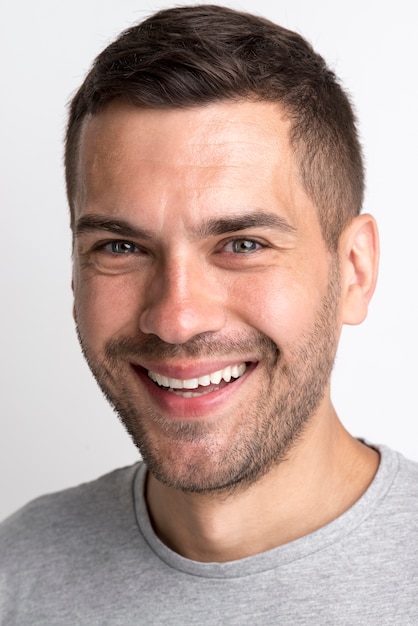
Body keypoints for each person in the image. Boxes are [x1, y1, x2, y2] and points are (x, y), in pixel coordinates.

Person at [1, 4, 417, 624]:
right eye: (120, 248)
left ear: (355, 269)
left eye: (243, 244)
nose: (177, 318)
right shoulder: (17, 570)